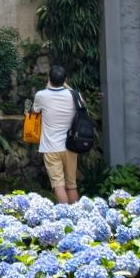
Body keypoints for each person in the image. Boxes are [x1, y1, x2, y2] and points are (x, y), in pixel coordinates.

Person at [32, 64, 79, 204]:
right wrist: (66, 85)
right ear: (65, 79)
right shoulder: (74, 95)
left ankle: (64, 215)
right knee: (71, 185)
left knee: (58, 185)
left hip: (51, 147)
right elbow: (82, 105)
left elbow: (35, 111)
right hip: (71, 145)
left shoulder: (41, 95)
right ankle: (77, 215)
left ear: (49, 78)